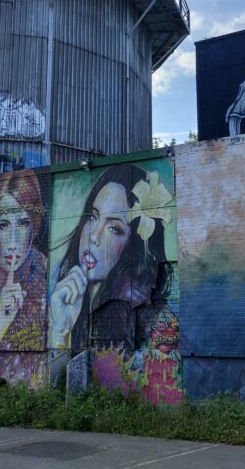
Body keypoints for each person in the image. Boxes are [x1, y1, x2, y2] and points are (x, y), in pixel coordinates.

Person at [49, 163, 181, 401]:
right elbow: (60, 395)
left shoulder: (155, 322)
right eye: (93, 216)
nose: (94, 236)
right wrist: (61, 331)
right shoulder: (69, 294)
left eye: (114, 228)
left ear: (135, 248)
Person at [0, 171, 48, 385]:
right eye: (3, 225)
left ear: (35, 228)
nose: (12, 242)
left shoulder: (46, 294)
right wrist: (1, 323)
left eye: (23, 223)